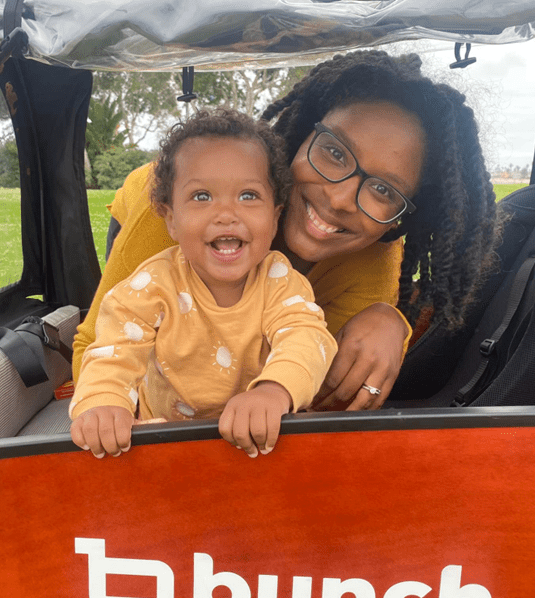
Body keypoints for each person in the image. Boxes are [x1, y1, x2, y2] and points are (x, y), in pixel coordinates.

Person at [72, 49, 500, 412]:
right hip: (147, 211)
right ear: (300, 136)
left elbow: (310, 385)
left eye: (384, 190)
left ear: (405, 216)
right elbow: (94, 346)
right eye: (334, 152)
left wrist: (393, 321)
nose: (338, 199)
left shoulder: (372, 262)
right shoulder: (178, 208)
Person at [70, 110, 337, 459]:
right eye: (201, 197)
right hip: (165, 442)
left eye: (248, 196)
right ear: (171, 220)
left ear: (274, 219)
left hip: (256, 441)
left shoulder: (281, 282)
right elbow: (112, 352)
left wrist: (273, 391)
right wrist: (104, 403)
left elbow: (307, 338)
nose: (226, 213)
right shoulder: (150, 285)